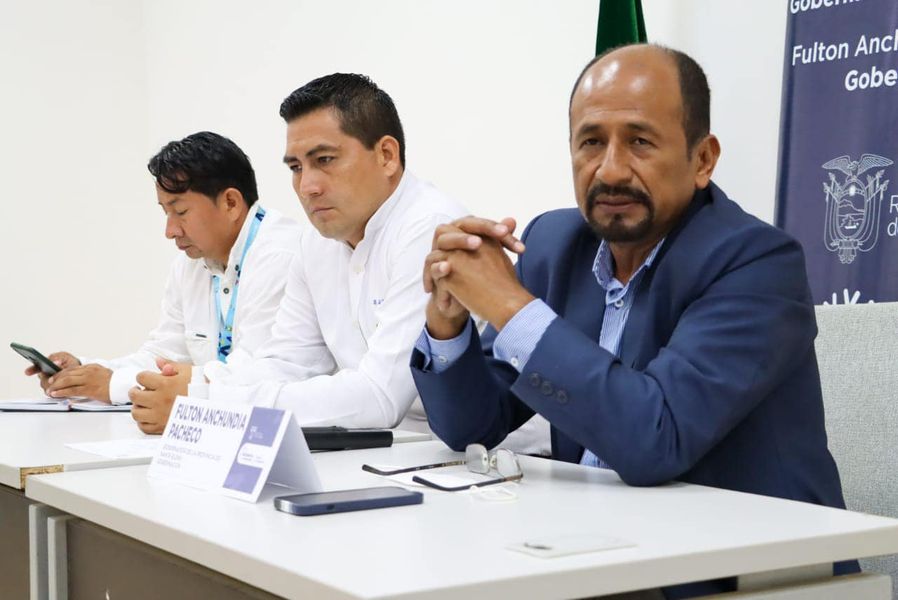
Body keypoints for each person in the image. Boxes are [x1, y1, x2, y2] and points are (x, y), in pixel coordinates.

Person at [411, 44, 856, 598]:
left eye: (640, 141)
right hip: (598, 551)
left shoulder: (757, 262)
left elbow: (654, 440)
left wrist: (509, 304)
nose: (611, 169)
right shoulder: (554, 243)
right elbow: (471, 428)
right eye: (591, 142)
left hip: (744, 576)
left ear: (702, 159)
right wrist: (448, 319)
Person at [129, 73, 466, 434]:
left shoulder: (429, 228)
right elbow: (288, 362)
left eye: (325, 159)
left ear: (386, 156)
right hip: (387, 449)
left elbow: (379, 397)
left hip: (469, 456)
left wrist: (207, 401)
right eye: (296, 168)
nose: (307, 187)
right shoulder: (315, 243)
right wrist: (201, 387)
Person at [28, 132, 302, 406]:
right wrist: (84, 373)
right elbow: (164, 356)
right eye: (165, 213)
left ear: (230, 203)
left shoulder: (281, 256)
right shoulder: (190, 263)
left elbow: (251, 374)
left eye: (180, 212)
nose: (170, 231)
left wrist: (113, 384)